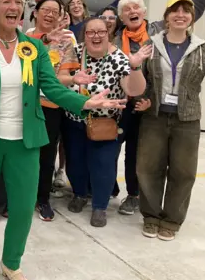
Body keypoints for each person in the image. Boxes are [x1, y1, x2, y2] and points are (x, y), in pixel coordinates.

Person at [0, 0, 125, 280]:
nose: (14, 7)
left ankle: (11, 263)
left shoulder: (32, 50)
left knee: (21, 208)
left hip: (25, 141)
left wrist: (86, 102)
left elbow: (53, 88)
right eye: (6, 1)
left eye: (18, 3)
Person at [113, 0, 205, 217]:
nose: (133, 12)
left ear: (147, 14)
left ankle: (134, 196)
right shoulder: (116, 35)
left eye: (138, 8)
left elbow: (192, 11)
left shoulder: (156, 30)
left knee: (140, 155)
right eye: (127, 10)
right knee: (114, 150)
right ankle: (106, 189)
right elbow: (124, 11)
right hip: (120, 101)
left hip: (150, 104)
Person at [135, 0, 205, 241]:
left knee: (183, 171)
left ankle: (172, 220)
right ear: (166, 17)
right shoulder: (151, 44)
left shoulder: (202, 48)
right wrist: (141, 99)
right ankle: (151, 217)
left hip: (187, 120)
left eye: (186, 11)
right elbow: (139, 79)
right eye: (175, 11)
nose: (180, 15)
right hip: (154, 117)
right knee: (147, 168)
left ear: (191, 18)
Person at [60, 17, 150, 228]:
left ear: (108, 33)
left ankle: (99, 206)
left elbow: (134, 90)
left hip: (105, 122)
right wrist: (73, 79)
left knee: (104, 166)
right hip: (75, 118)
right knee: (75, 162)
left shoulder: (119, 57)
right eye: (91, 32)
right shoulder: (75, 51)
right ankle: (80, 194)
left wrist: (135, 67)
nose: (96, 36)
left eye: (101, 32)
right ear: (85, 34)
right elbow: (60, 77)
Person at [26, 0, 78, 222]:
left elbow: (67, 76)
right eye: (44, 9)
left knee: (46, 156)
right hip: (24, 104)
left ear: (60, 16)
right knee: (22, 152)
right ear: (35, 12)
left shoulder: (66, 41)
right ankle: (21, 196)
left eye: (54, 11)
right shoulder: (24, 37)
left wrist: (53, 81)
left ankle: (42, 199)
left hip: (50, 105)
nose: (49, 14)